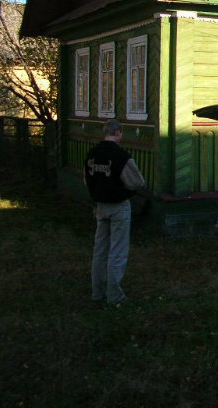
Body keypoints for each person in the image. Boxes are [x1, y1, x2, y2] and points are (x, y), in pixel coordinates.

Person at [84, 119, 145, 306]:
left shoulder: (92, 155)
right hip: (119, 206)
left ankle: (97, 292)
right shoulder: (121, 156)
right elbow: (138, 182)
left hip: (100, 206)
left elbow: (87, 182)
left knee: (100, 250)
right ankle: (114, 295)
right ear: (118, 133)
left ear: (105, 132)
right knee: (117, 251)